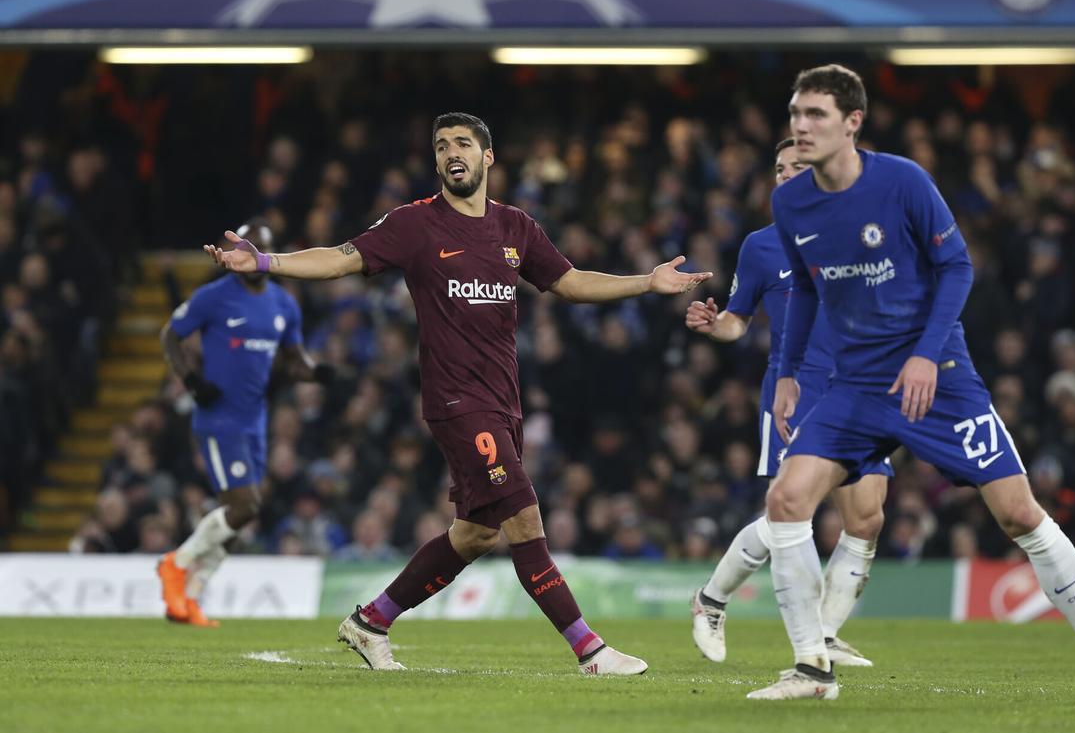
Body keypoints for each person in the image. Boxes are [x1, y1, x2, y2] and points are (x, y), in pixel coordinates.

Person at [203, 112, 711, 675]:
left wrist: (647, 281)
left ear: (488, 157)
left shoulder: (516, 227)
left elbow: (568, 282)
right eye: (442, 145)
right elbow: (343, 258)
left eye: (463, 144)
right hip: (456, 401)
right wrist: (267, 263)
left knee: (475, 535)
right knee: (525, 517)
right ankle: (590, 650)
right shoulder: (415, 224)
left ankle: (371, 622)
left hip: (504, 402)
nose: (451, 153)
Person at [750, 64, 1075, 703]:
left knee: (1019, 512)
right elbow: (804, 288)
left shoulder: (903, 181)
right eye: (796, 113)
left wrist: (923, 354)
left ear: (853, 122)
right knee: (786, 499)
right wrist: (787, 373)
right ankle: (812, 668)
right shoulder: (789, 201)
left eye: (816, 115)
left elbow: (957, 265)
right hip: (854, 386)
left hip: (938, 379)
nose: (800, 126)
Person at [685, 137, 890, 667]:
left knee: (866, 518)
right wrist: (715, 326)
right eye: (779, 168)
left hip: (860, 389)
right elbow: (737, 321)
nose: (785, 175)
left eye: (797, 166)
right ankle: (710, 600)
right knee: (790, 514)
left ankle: (824, 632)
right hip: (795, 391)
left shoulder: (863, 237)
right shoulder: (761, 246)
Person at [157, 223, 331, 626]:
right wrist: (192, 382)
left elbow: (294, 360)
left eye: (263, 249)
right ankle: (176, 563)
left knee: (241, 513)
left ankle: (193, 598)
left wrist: (319, 374)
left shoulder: (285, 305)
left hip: (255, 419)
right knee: (244, 505)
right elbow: (171, 336)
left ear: (270, 255)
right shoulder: (214, 297)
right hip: (218, 418)